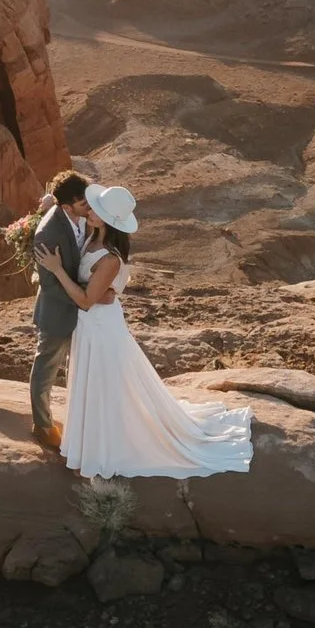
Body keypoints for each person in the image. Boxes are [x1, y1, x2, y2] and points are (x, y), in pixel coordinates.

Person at [37, 182, 253, 480]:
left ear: (107, 221)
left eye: (95, 209)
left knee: (103, 385)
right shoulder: (91, 236)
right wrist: (49, 206)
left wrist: (57, 269)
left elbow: (87, 300)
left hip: (100, 328)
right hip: (91, 326)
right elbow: (72, 239)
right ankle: (90, 444)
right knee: (93, 383)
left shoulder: (111, 258)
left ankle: (103, 449)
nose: (89, 210)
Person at [25, 170, 92, 450]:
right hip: (58, 313)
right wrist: (84, 298)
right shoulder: (47, 234)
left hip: (82, 310)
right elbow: (51, 286)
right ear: (66, 207)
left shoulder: (78, 216)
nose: (88, 207)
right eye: (82, 204)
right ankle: (42, 426)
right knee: (46, 371)